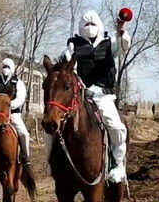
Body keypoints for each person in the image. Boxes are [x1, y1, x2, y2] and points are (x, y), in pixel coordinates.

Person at [49, 10, 131, 183]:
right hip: (82, 96)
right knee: (53, 123)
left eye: (93, 24)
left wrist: (121, 30)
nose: (90, 28)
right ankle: (51, 161)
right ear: (81, 26)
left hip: (103, 97)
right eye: (86, 24)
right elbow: (67, 62)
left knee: (116, 126)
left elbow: (124, 46)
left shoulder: (110, 44)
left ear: (99, 26)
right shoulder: (74, 45)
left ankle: (118, 164)